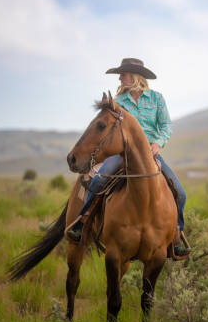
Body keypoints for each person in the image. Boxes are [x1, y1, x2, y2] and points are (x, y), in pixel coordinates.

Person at [66, 58, 189, 255]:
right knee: (97, 181)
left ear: (135, 77)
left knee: (180, 192)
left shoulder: (157, 99)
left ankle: (176, 237)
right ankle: (82, 223)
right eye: (120, 75)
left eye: (123, 74)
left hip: (150, 155)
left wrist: (158, 143)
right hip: (120, 155)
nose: (120, 78)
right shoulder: (118, 103)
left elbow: (166, 125)